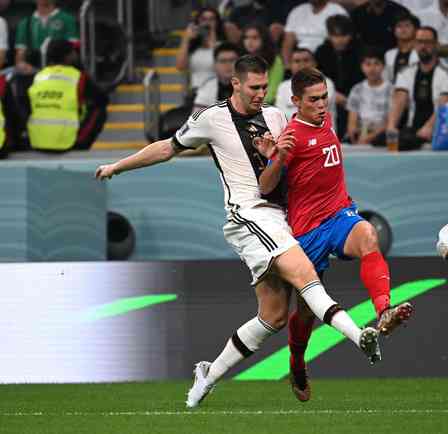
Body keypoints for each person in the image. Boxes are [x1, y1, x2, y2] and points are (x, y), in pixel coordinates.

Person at [95, 55, 381, 408]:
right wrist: (117, 167)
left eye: (265, 86)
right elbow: (168, 148)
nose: (261, 93)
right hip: (249, 214)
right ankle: (359, 336)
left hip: (281, 217)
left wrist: (273, 154)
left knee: (274, 316)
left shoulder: (277, 116)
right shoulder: (210, 118)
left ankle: (208, 375)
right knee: (306, 276)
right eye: (254, 87)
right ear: (236, 84)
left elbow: (284, 167)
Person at [258, 67, 413, 402]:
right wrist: (278, 157)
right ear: (295, 101)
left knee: (369, 236)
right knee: (306, 312)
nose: (322, 104)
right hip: (307, 231)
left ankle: (384, 309)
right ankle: (297, 362)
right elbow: (265, 186)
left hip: (339, 215)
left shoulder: (327, 121)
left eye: (325, 96)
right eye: (313, 99)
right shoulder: (292, 136)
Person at [26, 39, 108, 152]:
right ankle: (81, 141)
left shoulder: (37, 77)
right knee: (99, 108)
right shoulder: (79, 77)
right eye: (73, 52)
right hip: (70, 143)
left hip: (36, 142)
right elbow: (103, 99)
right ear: (68, 56)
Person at [386, 26, 448, 150]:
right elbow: (399, 100)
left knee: (405, 143)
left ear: (436, 45)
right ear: (414, 44)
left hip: (439, 129)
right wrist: (391, 126)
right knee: (383, 139)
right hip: (412, 129)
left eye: (427, 42)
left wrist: (429, 127)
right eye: (419, 42)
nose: (423, 46)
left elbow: (444, 105)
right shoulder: (405, 72)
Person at [315, 14, 364, 134]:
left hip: (356, 97)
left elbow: (362, 79)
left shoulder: (359, 50)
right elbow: (317, 77)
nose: (340, 40)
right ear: (329, 35)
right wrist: (332, 93)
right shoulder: (321, 51)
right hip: (330, 96)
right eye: (335, 36)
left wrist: (350, 98)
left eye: (344, 35)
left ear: (351, 35)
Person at [275, 47, 338, 127]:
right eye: (297, 61)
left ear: (315, 63)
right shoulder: (282, 87)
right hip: (292, 136)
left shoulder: (327, 83)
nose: (301, 65)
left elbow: (317, 113)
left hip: (323, 135)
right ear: (290, 65)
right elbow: (281, 117)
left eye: (306, 60)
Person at [14, 0, 79, 74]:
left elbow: (73, 53)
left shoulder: (67, 19)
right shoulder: (25, 22)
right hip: (34, 71)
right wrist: (22, 65)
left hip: (60, 70)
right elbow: (20, 54)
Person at [346, 46, 393, 145]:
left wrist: (370, 137)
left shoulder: (392, 90)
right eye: (368, 64)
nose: (372, 68)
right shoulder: (356, 89)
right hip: (361, 135)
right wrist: (355, 136)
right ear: (362, 67)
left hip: (382, 137)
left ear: (383, 66)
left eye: (376, 64)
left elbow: (390, 121)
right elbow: (352, 123)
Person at [281, 0, 348, 66]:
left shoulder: (337, 11)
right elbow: (287, 42)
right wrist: (288, 66)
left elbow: (340, 40)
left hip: (325, 57)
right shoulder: (297, 11)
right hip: (300, 56)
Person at [176, 7, 224, 97]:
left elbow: (219, 66)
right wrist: (186, 39)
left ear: (217, 22)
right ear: (198, 22)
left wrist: (212, 35)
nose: (207, 22)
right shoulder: (192, 47)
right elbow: (180, 66)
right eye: (204, 19)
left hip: (218, 92)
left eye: (211, 19)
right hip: (196, 92)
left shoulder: (222, 45)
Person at [241, 24, 284, 104]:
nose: (249, 41)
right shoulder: (240, 59)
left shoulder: (275, 59)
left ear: (264, 39)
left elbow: (272, 90)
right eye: (246, 37)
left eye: (255, 38)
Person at [193, 43, 240, 111]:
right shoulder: (206, 88)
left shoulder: (250, 85)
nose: (228, 65)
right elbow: (196, 119)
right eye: (223, 61)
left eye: (232, 60)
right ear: (215, 65)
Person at [383, 12, 420, 83]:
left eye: (407, 25)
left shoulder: (422, 52)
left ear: (416, 30)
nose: (403, 29)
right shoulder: (389, 54)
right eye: (399, 26)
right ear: (394, 31)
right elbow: (387, 80)